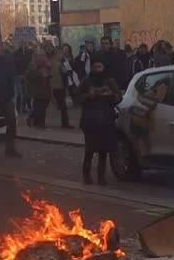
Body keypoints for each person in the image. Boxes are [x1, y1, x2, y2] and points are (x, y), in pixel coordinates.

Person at [75, 56, 122, 186]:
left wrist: (110, 95)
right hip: (90, 121)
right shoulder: (87, 80)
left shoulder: (109, 81)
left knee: (103, 151)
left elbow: (118, 97)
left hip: (106, 120)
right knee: (90, 150)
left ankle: (101, 176)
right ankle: (86, 175)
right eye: (95, 67)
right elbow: (77, 96)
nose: (98, 69)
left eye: (100, 67)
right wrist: (88, 96)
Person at [44, 41, 72, 129]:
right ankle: (38, 121)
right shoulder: (43, 58)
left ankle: (65, 123)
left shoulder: (59, 57)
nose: (49, 49)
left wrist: (65, 73)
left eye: (50, 47)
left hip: (59, 84)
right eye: (47, 47)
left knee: (62, 105)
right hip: (47, 85)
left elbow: (66, 68)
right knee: (43, 105)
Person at [25, 49, 52, 129]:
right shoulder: (32, 65)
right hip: (36, 89)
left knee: (44, 105)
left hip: (45, 87)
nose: (42, 57)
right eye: (40, 55)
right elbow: (30, 75)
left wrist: (48, 74)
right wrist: (40, 75)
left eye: (43, 55)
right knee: (38, 106)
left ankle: (41, 121)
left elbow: (49, 72)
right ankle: (37, 121)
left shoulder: (46, 64)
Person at [13, 41, 32, 114]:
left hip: (26, 75)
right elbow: (14, 63)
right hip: (18, 75)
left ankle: (24, 107)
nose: (22, 44)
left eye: (23, 43)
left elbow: (29, 62)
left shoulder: (28, 53)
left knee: (26, 93)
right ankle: (18, 108)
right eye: (21, 43)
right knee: (19, 93)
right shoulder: (15, 53)